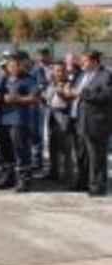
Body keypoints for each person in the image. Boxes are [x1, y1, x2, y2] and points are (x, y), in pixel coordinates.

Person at [69, 51, 112, 196]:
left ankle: (98, 186)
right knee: (82, 155)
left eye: (85, 61)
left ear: (94, 61)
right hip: (80, 120)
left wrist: (84, 94)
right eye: (82, 61)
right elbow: (76, 91)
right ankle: (83, 182)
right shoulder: (82, 75)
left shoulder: (105, 75)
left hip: (96, 122)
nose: (82, 63)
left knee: (97, 157)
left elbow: (107, 95)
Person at [0, 54, 39, 193]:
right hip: (4, 118)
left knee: (21, 150)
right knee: (6, 150)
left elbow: (34, 98)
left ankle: (24, 180)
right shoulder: (5, 79)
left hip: (19, 120)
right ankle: (8, 177)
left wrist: (17, 99)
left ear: (21, 65)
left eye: (15, 65)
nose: (12, 68)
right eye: (10, 66)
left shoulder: (28, 79)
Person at [44, 61, 75, 186]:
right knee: (53, 147)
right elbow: (48, 99)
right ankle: (54, 172)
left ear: (66, 71)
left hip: (63, 116)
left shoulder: (70, 84)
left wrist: (61, 94)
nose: (59, 73)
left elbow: (70, 100)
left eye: (61, 70)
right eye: (56, 71)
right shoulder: (51, 84)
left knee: (66, 149)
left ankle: (69, 177)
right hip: (51, 116)